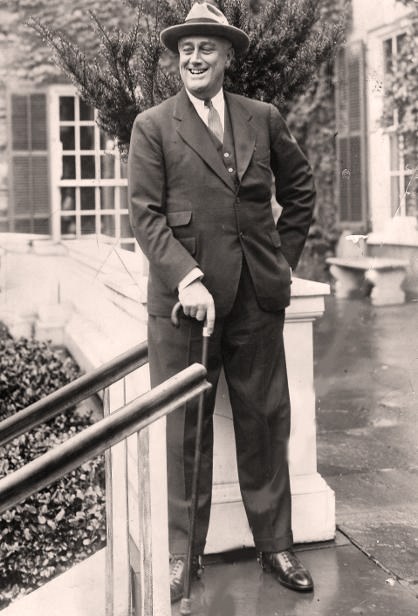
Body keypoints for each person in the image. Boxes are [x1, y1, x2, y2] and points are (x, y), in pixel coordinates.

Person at [128, 1, 316, 604]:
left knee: (265, 419)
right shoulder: (153, 126)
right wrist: (187, 278)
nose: (194, 57)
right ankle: (184, 554)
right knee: (185, 430)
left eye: (207, 46)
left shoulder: (261, 117)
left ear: (228, 55)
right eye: (186, 49)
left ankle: (277, 545)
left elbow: (301, 190)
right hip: (185, 308)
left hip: (257, 301)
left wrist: (278, 259)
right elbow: (146, 216)